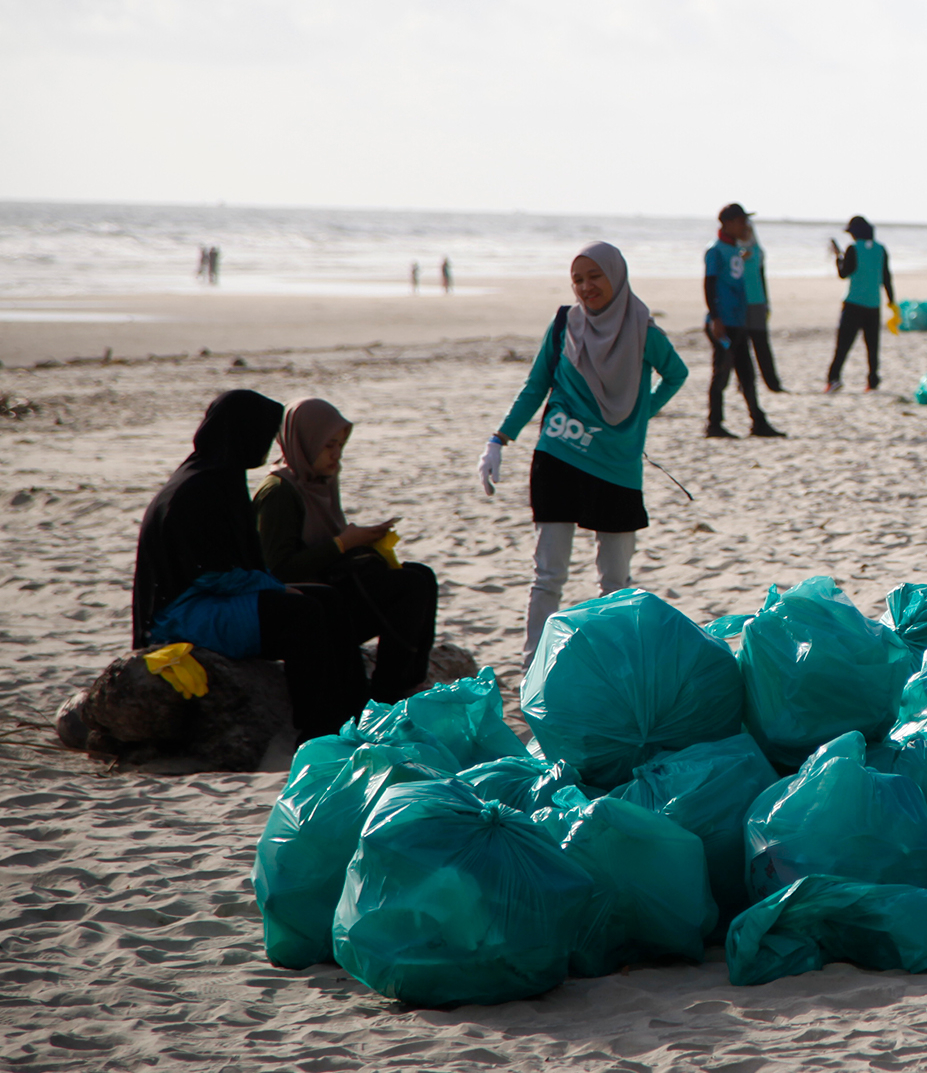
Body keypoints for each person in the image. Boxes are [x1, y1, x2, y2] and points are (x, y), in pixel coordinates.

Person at [131, 389, 432, 742]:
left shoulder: (218, 477)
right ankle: (318, 727)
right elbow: (211, 574)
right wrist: (273, 586)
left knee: (328, 602)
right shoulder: (197, 489)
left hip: (214, 595)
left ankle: (356, 713)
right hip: (181, 613)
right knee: (302, 614)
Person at [479, 242, 690, 667]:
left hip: (617, 464)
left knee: (615, 579)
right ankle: (532, 665)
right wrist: (499, 439)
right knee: (548, 575)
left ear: (616, 276)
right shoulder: (563, 324)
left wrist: (640, 412)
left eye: (595, 276)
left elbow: (676, 374)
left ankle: (613, 666)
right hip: (559, 456)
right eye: (578, 279)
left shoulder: (643, 331)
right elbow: (536, 385)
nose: (586, 287)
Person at [251, 398, 440, 709]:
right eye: (328, 445)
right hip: (309, 608)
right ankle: (387, 693)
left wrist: (364, 541)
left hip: (332, 586)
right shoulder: (280, 492)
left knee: (421, 575)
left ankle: (410, 680)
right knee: (409, 587)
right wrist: (343, 544)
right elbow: (278, 570)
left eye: (340, 445)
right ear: (306, 442)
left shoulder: (319, 479)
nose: (336, 454)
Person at [703, 205, 779, 439]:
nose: (745, 226)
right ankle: (714, 424)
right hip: (723, 322)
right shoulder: (715, 251)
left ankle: (758, 422)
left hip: (738, 320)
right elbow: (709, 284)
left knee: (747, 373)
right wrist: (715, 317)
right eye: (741, 221)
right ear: (728, 223)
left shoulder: (737, 250)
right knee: (721, 373)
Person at [827, 215, 896, 392]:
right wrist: (891, 302)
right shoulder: (881, 249)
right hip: (874, 305)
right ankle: (872, 381)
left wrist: (838, 257)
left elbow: (844, 273)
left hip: (853, 304)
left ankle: (833, 378)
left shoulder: (853, 249)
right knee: (872, 347)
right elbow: (886, 277)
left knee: (843, 345)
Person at [736, 227, 785, 393]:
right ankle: (743, 383)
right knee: (741, 346)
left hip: (757, 302)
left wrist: (766, 302)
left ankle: (773, 383)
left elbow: (762, 277)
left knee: (762, 345)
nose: (746, 232)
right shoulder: (732, 252)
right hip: (740, 303)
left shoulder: (758, 251)